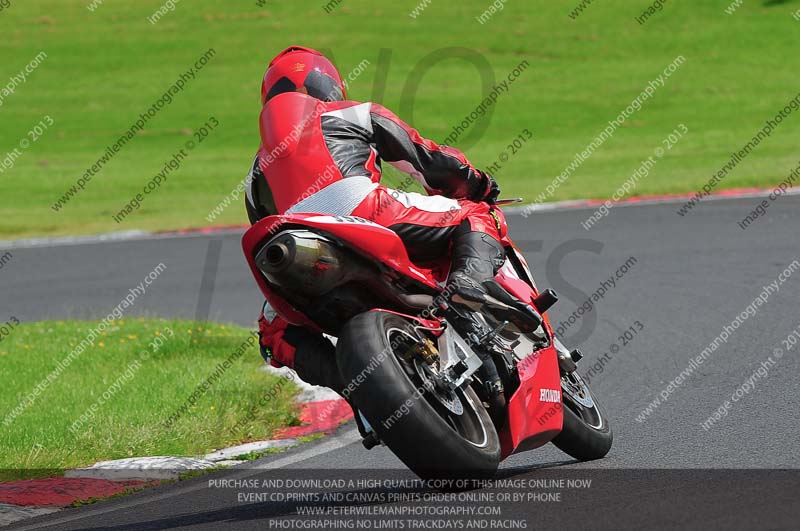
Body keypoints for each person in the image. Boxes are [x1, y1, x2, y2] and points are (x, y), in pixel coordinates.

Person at [245, 46, 540, 393]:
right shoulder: (352, 113)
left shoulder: (254, 175)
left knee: (273, 329)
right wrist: (477, 182)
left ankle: (352, 386)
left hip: (295, 249)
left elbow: (264, 232)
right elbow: (428, 160)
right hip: (365, 212)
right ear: (331, 86)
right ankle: (468, 286)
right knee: (476, 214)